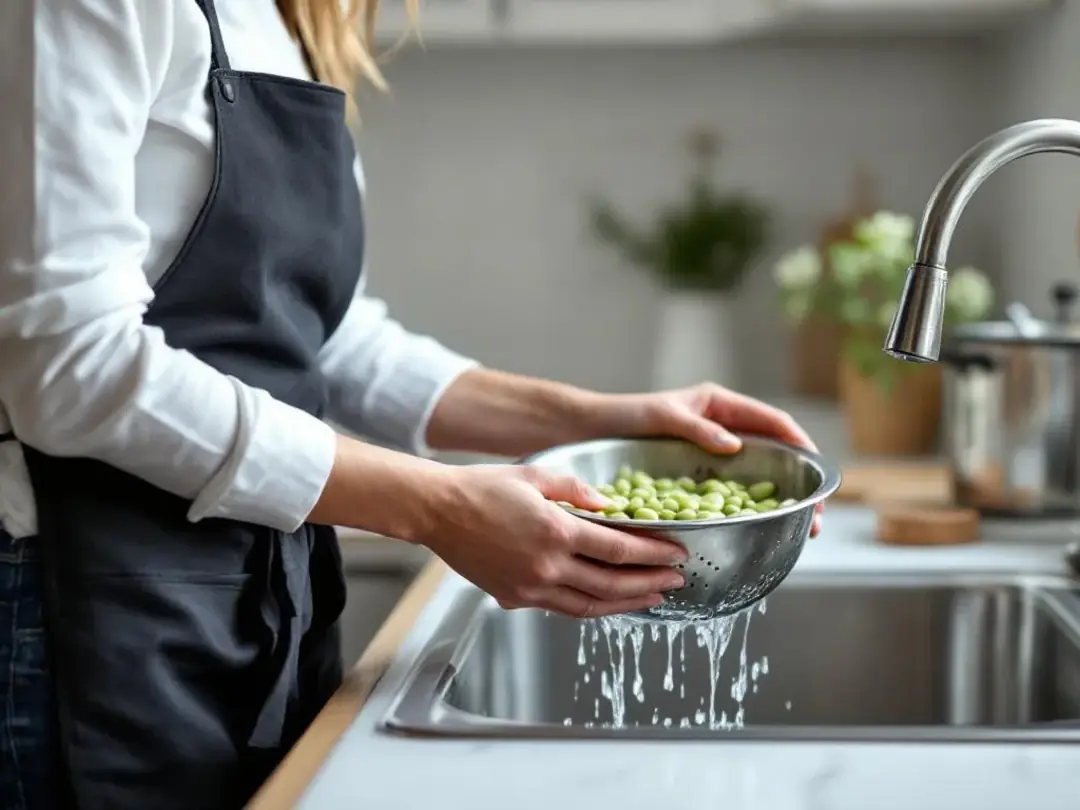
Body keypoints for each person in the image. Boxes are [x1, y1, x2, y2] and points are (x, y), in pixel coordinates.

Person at [0, 1, 823, 808]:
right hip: (78, 605)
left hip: (251, 596)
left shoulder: (288, 24)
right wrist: (435, 506)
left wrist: (609, 423)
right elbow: (69, 366)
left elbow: (332, 341)